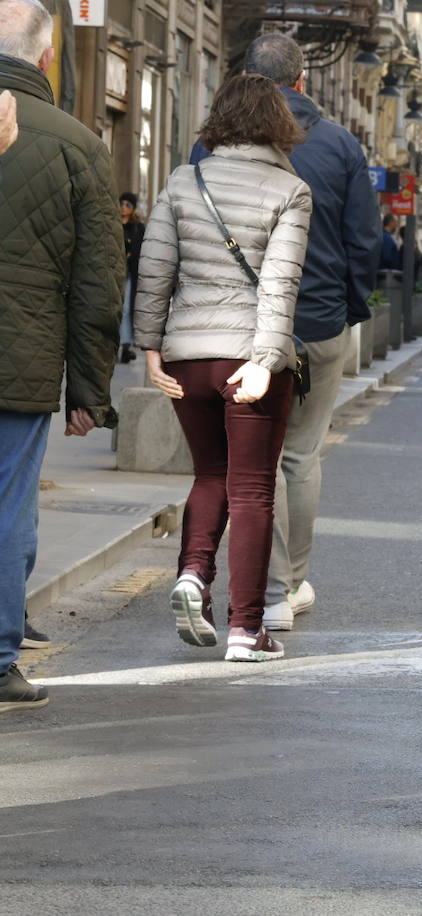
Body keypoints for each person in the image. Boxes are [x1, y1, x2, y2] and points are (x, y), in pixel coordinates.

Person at [191, 35, 380, 634]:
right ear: (301, 82)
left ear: (246, 76)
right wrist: (344, 310)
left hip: (239, 329)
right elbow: (364, 243)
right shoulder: (341, 144)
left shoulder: (211, 145)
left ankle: (269, 594)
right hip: (318, 322)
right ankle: (289, 585)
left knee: (252, 461)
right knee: (300, 456)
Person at [136, 73, 312, 662]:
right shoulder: (291, 190)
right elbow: (279, 287)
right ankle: (245, 629)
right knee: (254, 489)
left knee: (210, 476)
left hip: (189, 359)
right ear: (278, 125)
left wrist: (150, 348)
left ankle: (192, 575)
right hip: (249, 358)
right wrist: (264, 360)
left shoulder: (185, 180)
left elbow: (154, 267)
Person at [0, 0, 123, 711]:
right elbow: (98, 284)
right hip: (21, 364)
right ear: (45, 58)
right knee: (9, 509)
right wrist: (90, 390)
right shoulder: (78, 143)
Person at [118, 192, 145, 364]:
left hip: (129, 274)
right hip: (114, 273)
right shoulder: (112, 224)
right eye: (122, 203)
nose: (124, 207)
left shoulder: (138, 228)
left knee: (126, 308)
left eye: (128, 204)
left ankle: (125, 344)